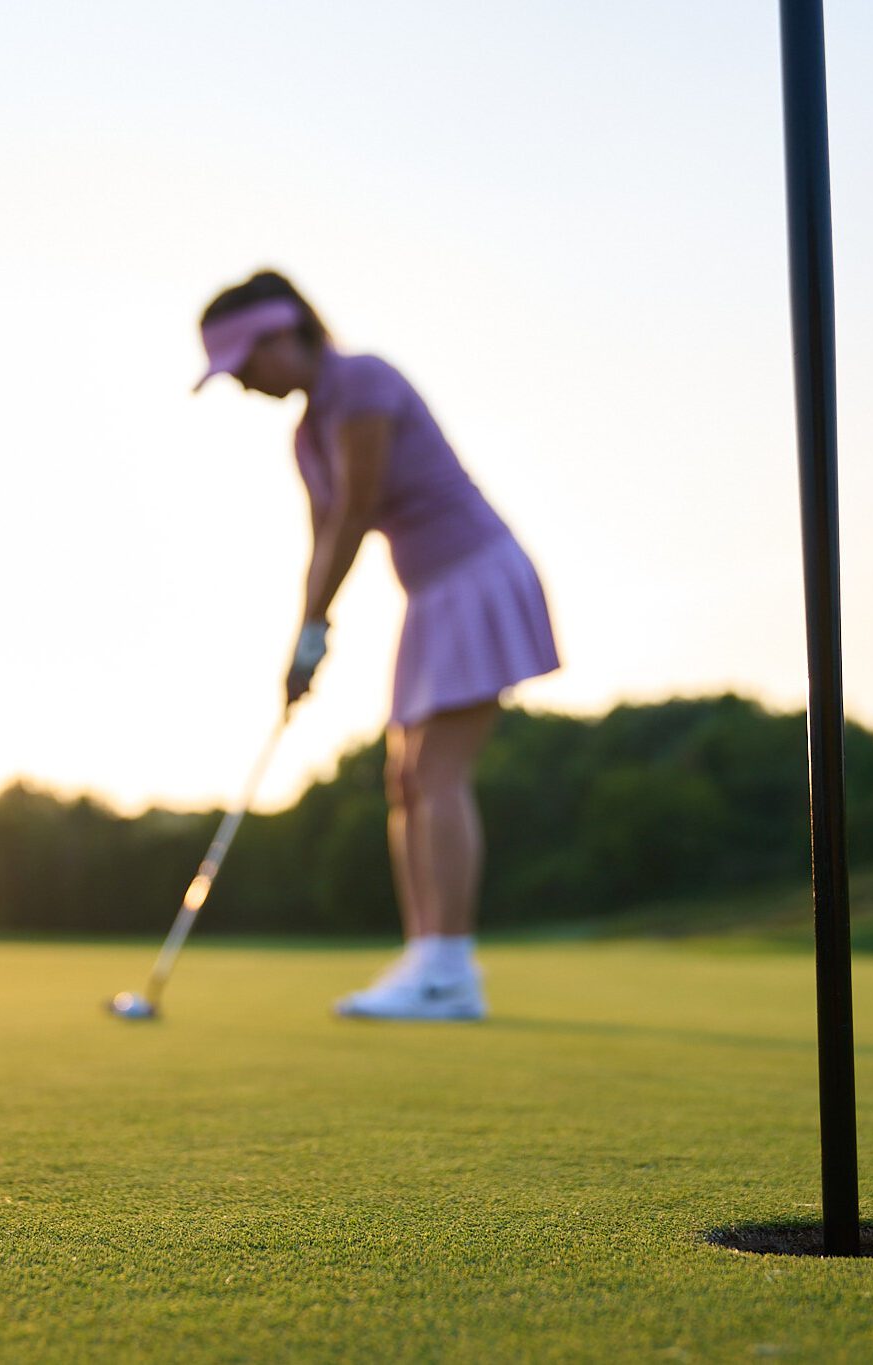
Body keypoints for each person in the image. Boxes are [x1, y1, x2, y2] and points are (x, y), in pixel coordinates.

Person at [193, 269, 561, 1022]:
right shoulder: (306, 433)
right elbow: (321, 538)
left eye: (243, 365)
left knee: (437, 770)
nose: (242, 385)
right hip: (429, 594)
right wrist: (303, 637)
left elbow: (356, 510)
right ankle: (428, 956)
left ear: (281, 333)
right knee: (404, 781)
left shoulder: (359, 381)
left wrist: (317, 627)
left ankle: (450, 966)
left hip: (474, 575)